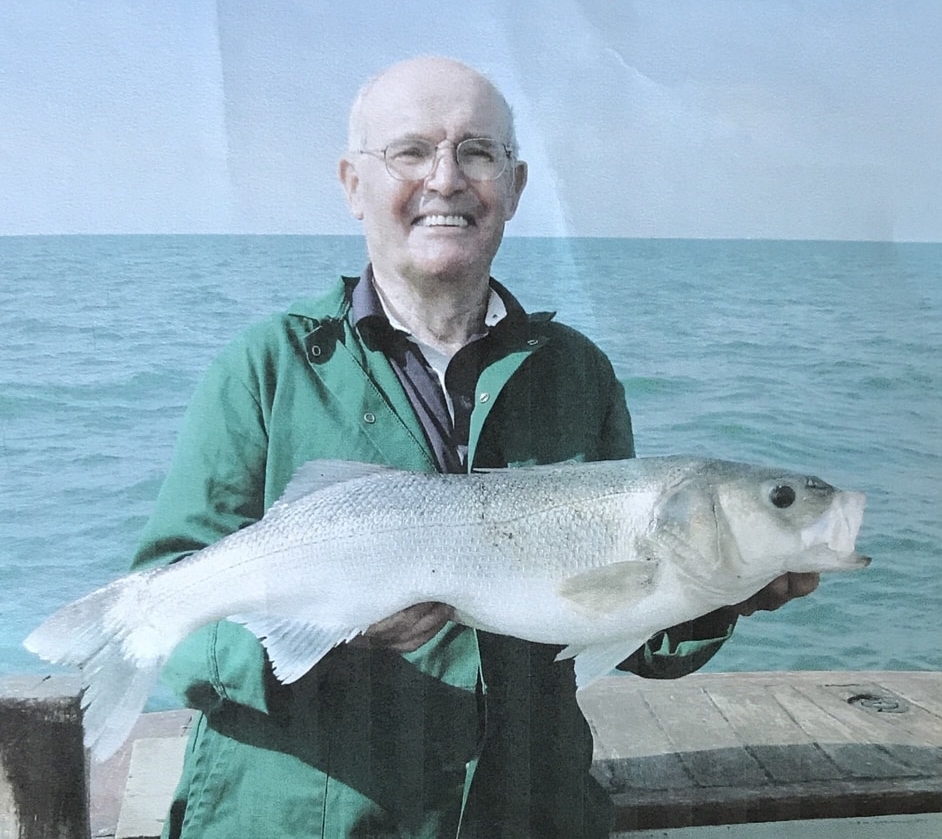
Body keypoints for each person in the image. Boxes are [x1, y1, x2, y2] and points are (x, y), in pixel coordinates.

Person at [132, 56, 819, 838]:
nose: (446, 179)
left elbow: (623, 623)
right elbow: (168, 620)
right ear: (353, 185)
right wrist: (327, 639)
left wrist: (727, 585)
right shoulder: (265, 368)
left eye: (478, 152)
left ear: (516, 187)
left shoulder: (579, 373)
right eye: (411, 152)